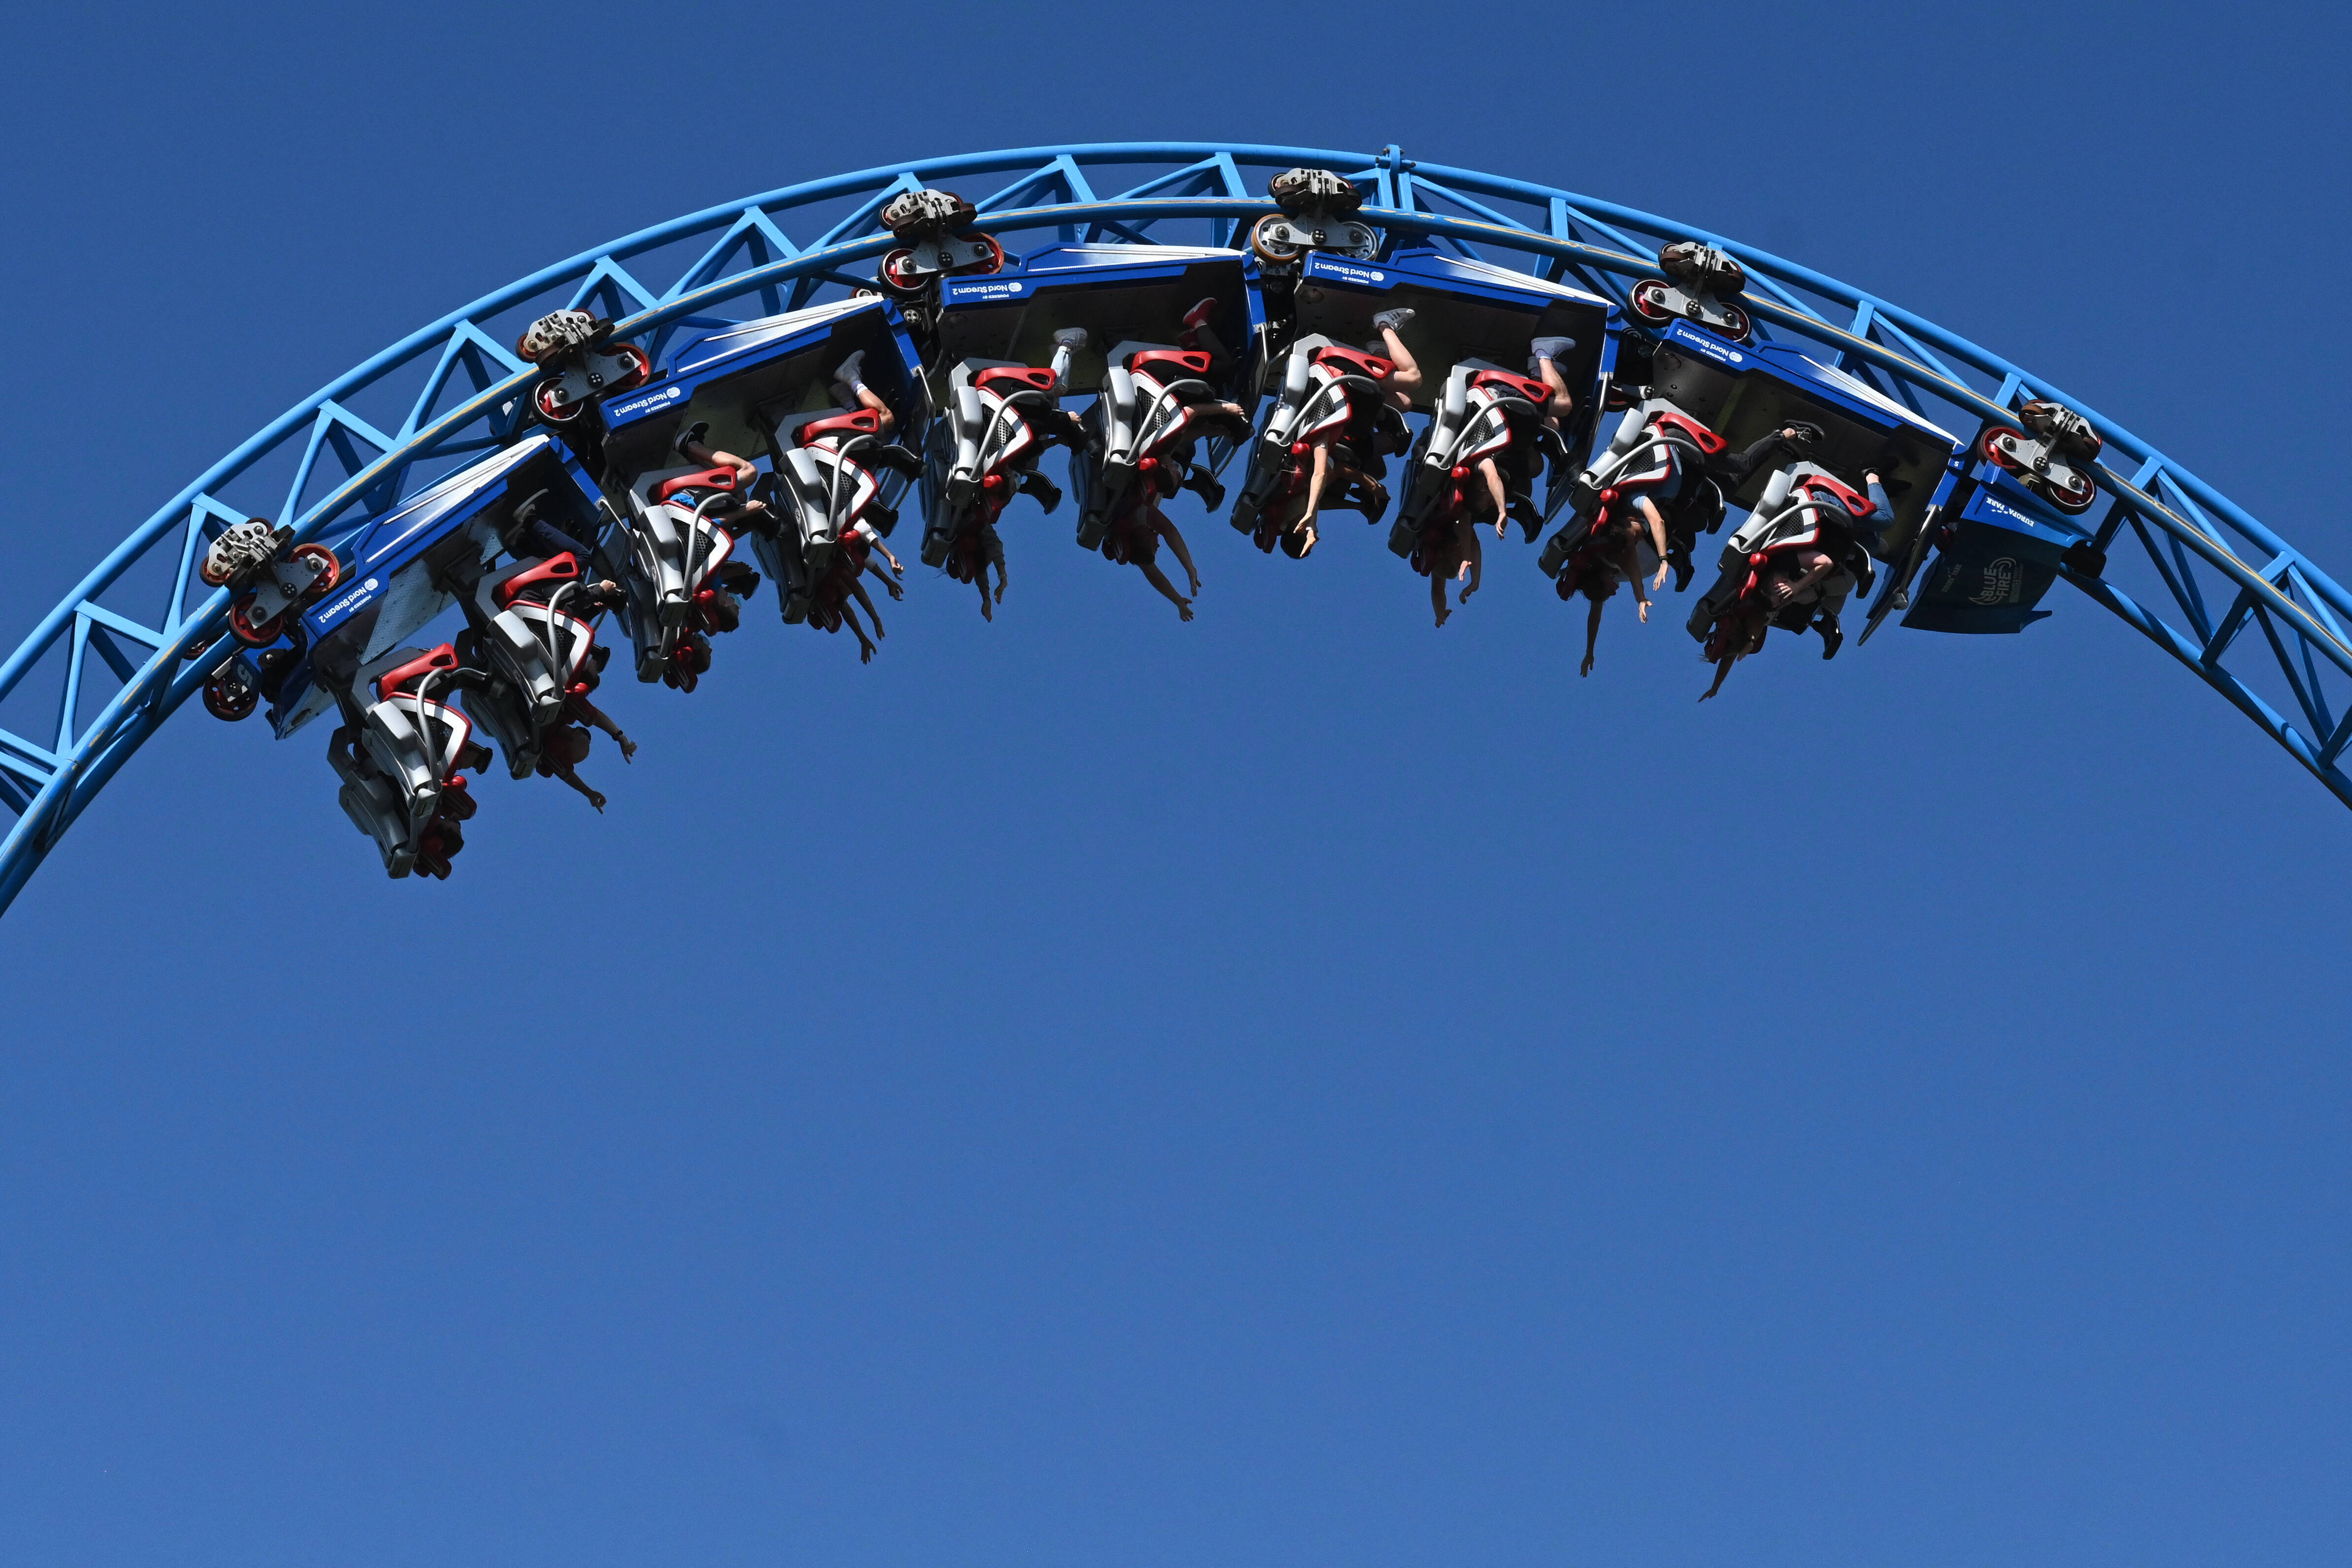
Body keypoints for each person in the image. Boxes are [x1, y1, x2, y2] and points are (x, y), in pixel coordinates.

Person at [1280, 307, 1424, 557]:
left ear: (1300, 531)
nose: (1317, 537)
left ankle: (1385, 324)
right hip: (1338, 401)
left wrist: (1371, 488)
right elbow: (1324, 496)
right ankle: (1378, 351)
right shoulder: (1289, 506)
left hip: (1340, 380)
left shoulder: (1308, 477)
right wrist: (1356, 506)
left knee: (1413, 379)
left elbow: (1329, 473)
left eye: (1310, 539)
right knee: (1403, 404)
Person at [1103, 486, 1203, 622]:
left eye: (1155, 548)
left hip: (1132, 477)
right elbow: (1152, 573)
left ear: (1146, 538)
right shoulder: (1124, 524)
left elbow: (1170, 531)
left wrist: (1190, 568)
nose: (1158, 545)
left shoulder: (1139, 515)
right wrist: (1177, 600)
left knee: (1170, 480)